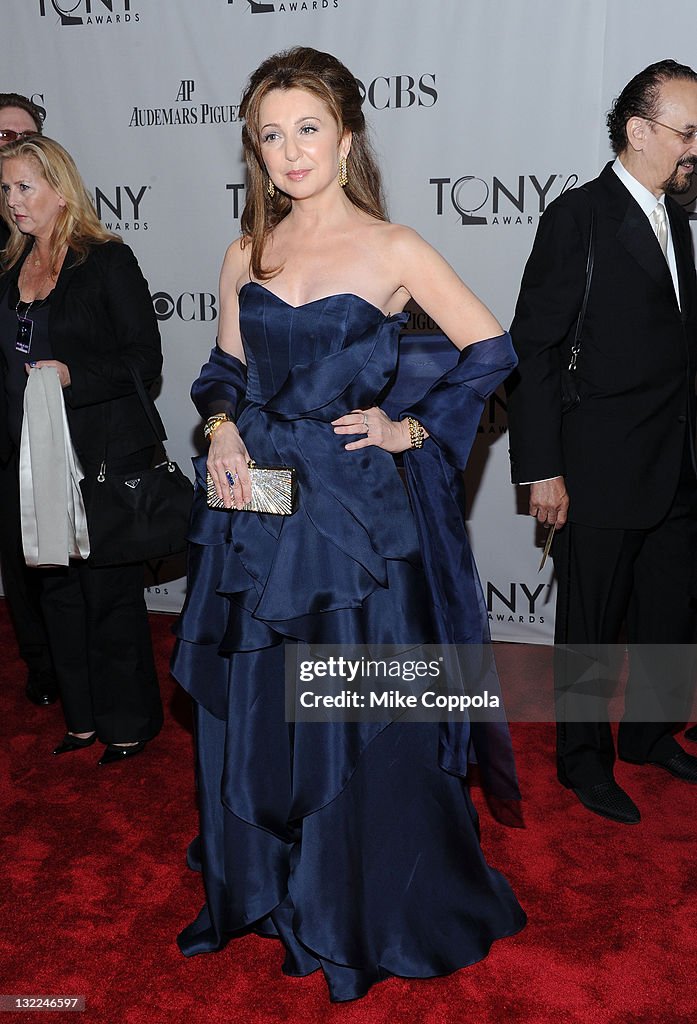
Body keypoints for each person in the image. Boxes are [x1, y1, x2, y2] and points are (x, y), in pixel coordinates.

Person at [172, 47, 525, 1002]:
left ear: (346, 134)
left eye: (307, 129)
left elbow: (490, 350)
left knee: (358, 710)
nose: (289, 152)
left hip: (354, 522)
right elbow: (224, 375)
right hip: (260, 509)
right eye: (270, 135)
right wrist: (217, 428)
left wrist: (412, 427)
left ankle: (359, 897)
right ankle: (275, 883)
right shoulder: (248, 250)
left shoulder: (395, 248)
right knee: (261, 698)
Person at [507, 59, 697, 825]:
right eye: (687, 132)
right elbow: (534, 351)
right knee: (590, 622)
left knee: (668, 610)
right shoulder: (577, 219)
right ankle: (581, 759)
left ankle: (649, 733)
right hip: (599, 460)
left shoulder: (675, 213)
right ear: (638, 132)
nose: (695, 147)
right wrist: (542, 468)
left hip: (677, 459)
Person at [0, 135, 163, 764]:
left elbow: (144, 361)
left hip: (98, 456)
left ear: (61, 191)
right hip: (29, 456)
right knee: (57, 594)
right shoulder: (11, 267)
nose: (13, 202)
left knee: (108, 593)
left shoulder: (106, 261)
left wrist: (75, 375)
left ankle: (129, 722)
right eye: (6, 189)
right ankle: (83, 718)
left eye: (25, 188)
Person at [0, 92, 57, 707]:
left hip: (44, 422)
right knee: (16, 561)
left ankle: (64, 668)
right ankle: (41, 668)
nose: (12, 143)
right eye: (2, 136)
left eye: (23, 135)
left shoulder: (51, 233)